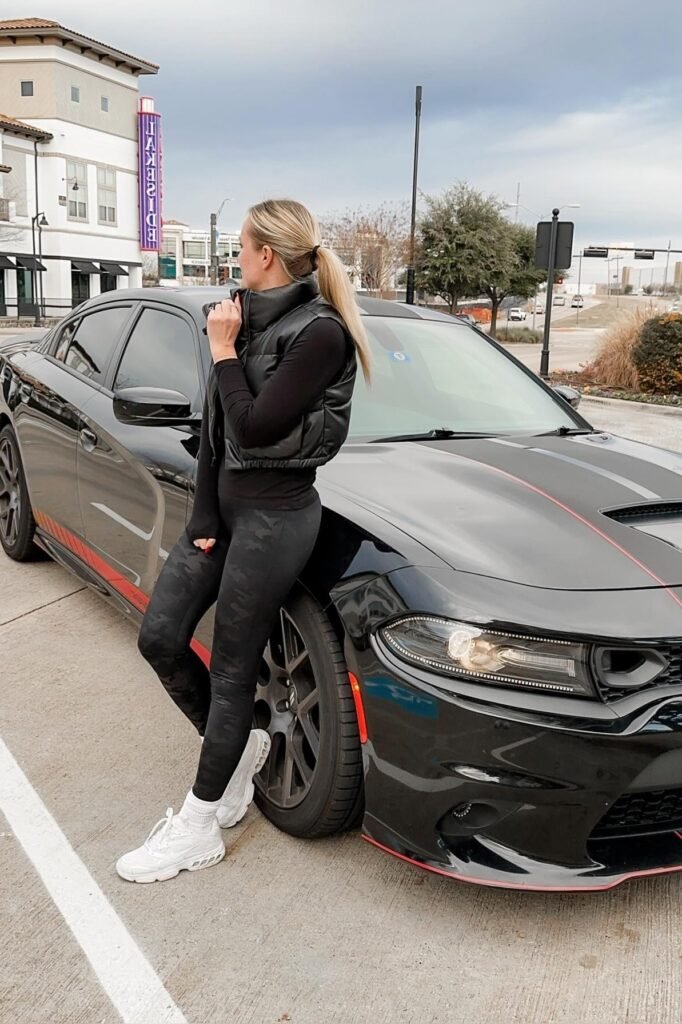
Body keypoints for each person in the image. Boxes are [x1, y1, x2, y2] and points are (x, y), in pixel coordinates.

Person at [116, 198, 372, 883]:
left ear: (267, 254)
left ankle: (200, 823)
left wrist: (223, 350)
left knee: (232, 669)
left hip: (276, 521)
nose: (235, 257)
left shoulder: (320, 334)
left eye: (241, 246)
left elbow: (256, 427)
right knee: (161, 639)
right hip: (224, 518)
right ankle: (238, 754)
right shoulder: (236, 316)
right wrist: (202, 519)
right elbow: (216, 432)